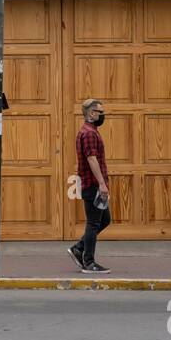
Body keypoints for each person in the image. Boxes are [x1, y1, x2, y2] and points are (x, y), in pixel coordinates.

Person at [69, 98, 111, 274]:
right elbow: (91, 159)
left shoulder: (90, 131)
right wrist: (101, 183)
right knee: (93, 223)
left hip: (93, 184)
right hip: (92, 185)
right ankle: (89, 261)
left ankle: (78, 248)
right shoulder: (89, 133)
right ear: (92, 113)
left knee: (104, 220)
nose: (103, 115)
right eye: (101, 112)